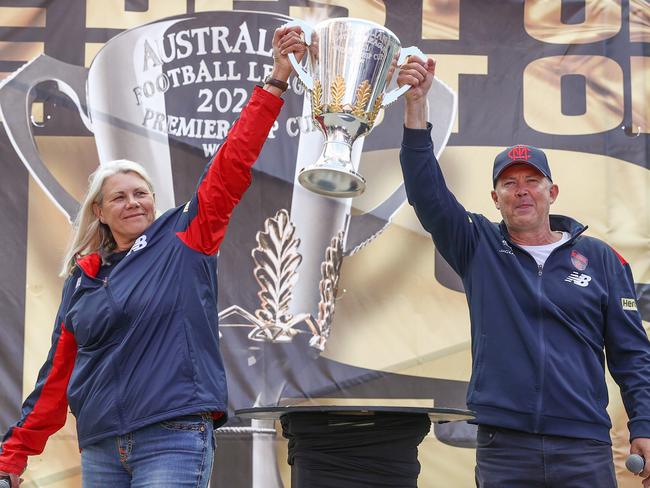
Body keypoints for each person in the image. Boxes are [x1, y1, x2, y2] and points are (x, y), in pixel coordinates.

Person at [0, 25, 305, 488]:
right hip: (102, 446)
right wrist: (12, 457)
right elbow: (55, 378)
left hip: (173, 436)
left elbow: (232, 162)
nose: (134, 202)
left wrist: (276, 80)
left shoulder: (183, 238)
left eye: (141, 193)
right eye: (118, 197)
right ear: (98, 213)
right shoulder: (83, 280)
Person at [397, 55, 650, 487]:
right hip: (505, 447)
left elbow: (632, 354)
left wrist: (644, 424)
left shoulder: (601, 258)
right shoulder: (477, 245)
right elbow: (426, 191)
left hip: (583, 447)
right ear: (495, 199)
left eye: (531, 181)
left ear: (552, 192)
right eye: (509, 183)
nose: (521, 191)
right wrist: (416, 107)